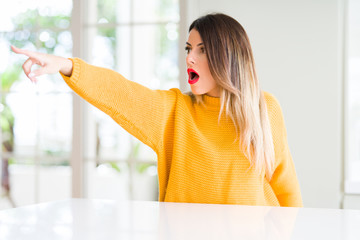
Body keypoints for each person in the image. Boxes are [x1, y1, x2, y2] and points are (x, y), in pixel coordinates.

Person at [12, 13, 303, 207]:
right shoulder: (176, 110)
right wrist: (67, 64)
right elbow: (121, 93)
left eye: (202, 49)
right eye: (189, 48)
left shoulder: (265, 109)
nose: (190, 58)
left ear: (227, 56)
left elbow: (286, 189)